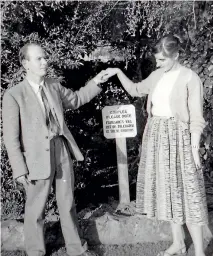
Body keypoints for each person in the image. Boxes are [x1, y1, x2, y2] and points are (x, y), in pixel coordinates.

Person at [103, 35, 209, 256]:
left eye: (162, 60)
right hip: (157, 138)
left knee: (187, 195)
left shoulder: (190, 78)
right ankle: (179, 244)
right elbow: (135, 90)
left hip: (180, 139)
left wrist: (194, 148)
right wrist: (117, 72)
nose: (158, 64)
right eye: (157, 60)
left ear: (176, 55)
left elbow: (197, 118)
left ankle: (199, 251)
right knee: (167, 193)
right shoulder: (157, 75)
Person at [2, 42, 108, 256]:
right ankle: (35, 251)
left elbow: (77, 99)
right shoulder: (14, 95)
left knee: (67, 202)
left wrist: (97, 81)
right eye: (39, 58)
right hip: (35, 158)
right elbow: (11, 138)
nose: (45, 61)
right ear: (26, 64)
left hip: (61, 149)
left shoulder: (54, 85)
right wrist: (19, 169)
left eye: (45, 57)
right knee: (35, 209)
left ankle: (76, 250)